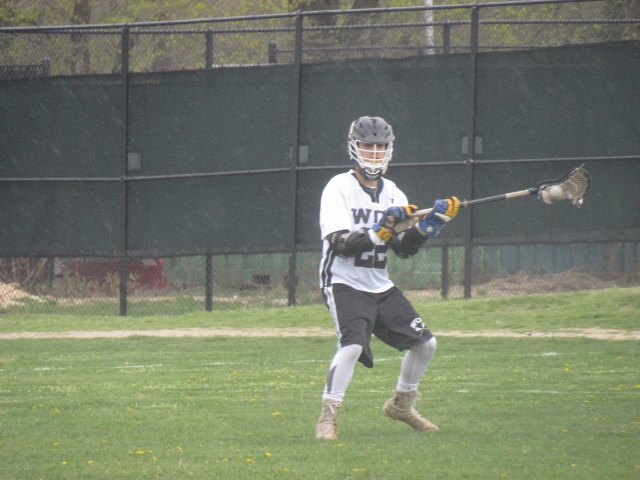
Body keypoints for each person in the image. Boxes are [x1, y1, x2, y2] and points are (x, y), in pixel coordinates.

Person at [315, 116, 459, 440]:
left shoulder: (393, 193)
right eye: (368, 146)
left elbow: (403, 248)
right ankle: (327, 417)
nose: (375, 153)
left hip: (378, 283)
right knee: (352, 345)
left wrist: (429, 226)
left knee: (426, 345)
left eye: (380, 147)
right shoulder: (338, 187)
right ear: (355, 148)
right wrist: (381, 230)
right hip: (343, 281)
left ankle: (401, 406)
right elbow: (340, 244)